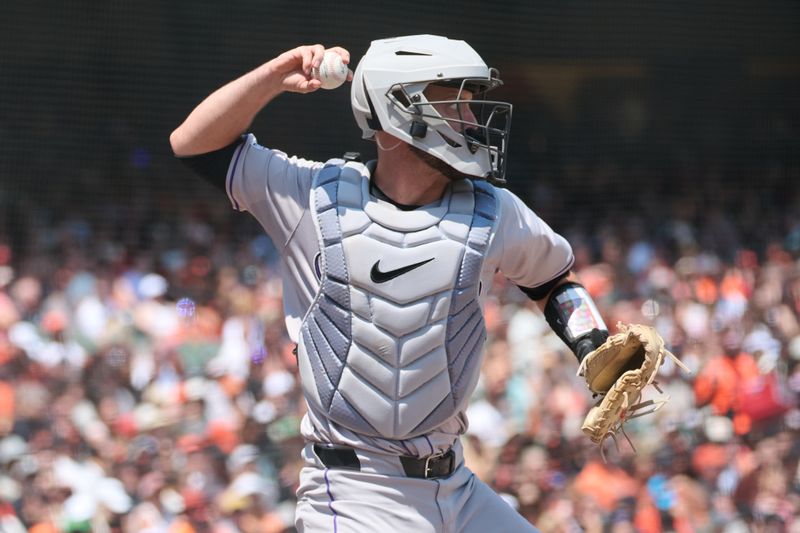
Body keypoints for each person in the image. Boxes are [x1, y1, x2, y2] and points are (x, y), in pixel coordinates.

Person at [170, 34, 610, 533]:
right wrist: (275, 75)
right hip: (355, 494)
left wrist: (594, 344)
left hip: (457, 489)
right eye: (455, 103)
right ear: (399, 113)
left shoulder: (494, 211)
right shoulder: (312, 196)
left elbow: (554, 280)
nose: (472, 121)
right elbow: (193, 144)